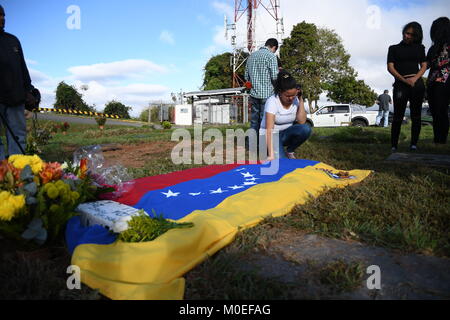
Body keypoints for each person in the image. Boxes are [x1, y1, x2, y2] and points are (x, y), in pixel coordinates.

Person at [0, 5, 35, 160]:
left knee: (18, 136)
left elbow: (23, 68)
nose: (2, 18)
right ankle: (2, 178)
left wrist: (29, 90)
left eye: (3, 15)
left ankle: (18, 174)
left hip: (16, 98)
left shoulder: (13, 41)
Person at [387, 21, 427, 152]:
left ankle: (413, 144)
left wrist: (415, 78)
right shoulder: (393, 48)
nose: (407, 36)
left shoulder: (420, 48)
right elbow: (390, 67)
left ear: (416, 36)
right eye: (406, 32)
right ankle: (394, 145)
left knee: (416, 115)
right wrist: (404, 80)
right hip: (400, 85)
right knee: (398, 115)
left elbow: (424, 66)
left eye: (411, 34)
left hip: (417, 84)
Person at [260, 70, 311, 160]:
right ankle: (273, 151)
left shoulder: (296, 99)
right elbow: (269, 130)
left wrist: (300, 99)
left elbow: (302, 121)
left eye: (293, 95)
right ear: (280, 92)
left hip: (285, 134)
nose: (291, 98)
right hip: (271, 135)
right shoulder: (272, 101)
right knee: (281, 161)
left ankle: (290, 151)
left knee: (306, 129)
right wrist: (271, 155)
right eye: (287, 96)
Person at [244, 38, 279, 140]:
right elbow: (274, 77)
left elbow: (246, 77)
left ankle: (253, 144)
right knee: (265, 121)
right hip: (267, 94)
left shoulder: (251, 56)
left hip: (254, 94)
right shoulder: (271, 56)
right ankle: (264, 144)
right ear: (274, 47)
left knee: (254, 121)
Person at [426, 17, 450, 144]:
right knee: (435, 111)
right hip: (431, 81)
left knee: (441, 110)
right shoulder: (433, 48)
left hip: (444, 81)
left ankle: (441, 140)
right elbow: (426, 65)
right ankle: (438, 140)